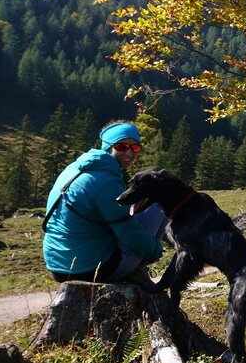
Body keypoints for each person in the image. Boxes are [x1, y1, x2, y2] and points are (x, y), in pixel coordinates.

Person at [42, 120, 166, 286]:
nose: (129, 153)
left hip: (57, 266)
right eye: (122, 146)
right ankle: (140, 265)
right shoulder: (106, 181)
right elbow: (128, 232)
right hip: (90, 270)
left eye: (135, 147)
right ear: (108, 146)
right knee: (160, 201)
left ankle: (137, 265)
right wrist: (156, 251)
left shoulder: (74, 168)